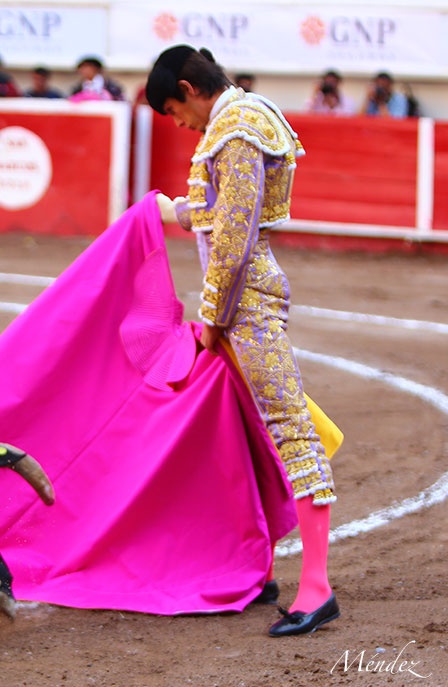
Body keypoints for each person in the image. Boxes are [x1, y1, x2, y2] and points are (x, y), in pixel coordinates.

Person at [146, 45, 340, 637]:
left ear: (188, 89)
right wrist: (173, 212)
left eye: (174, 110)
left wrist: (211, 319)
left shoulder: (235, 128)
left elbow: (233, 237)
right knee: (250, 434)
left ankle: (318, 589)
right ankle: (257, 568)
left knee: (288, 428)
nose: (179, 124)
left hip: (246, 305)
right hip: (240, 302)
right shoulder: (236, 120)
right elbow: (221, 209)